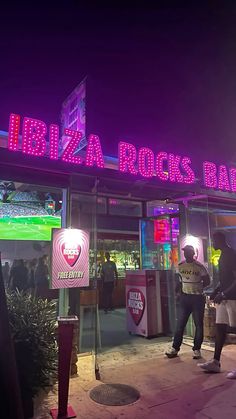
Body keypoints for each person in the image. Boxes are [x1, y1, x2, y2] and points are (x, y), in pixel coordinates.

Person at [198, 232, 236, 378]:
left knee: (234, 330)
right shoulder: (222, 255)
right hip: (224, 298)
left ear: (220, 240)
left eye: (213, 241)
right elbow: (225, 279)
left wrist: (224, 293)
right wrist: (216, 290)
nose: (212, 243)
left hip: (233, 299)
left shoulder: (231, 254)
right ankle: (215, 362)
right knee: (220, 328)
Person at [165, 245, 210, 360]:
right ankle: (175, 348)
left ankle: (196, 349)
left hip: (197, 298)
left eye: (188, 252)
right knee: (180, 324)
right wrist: (177, 293)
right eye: (184, 252)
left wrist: (198, 287)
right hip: (185, 298)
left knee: (198, 325)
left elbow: (207, 281)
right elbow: (179, 280)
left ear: (192, 253)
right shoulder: (180, 265)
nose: (185, 254)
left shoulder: (200, 266)